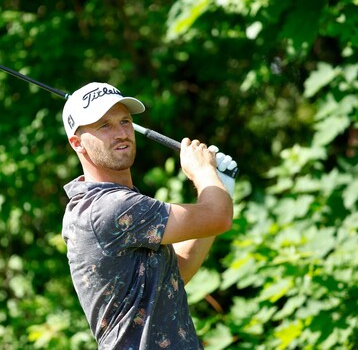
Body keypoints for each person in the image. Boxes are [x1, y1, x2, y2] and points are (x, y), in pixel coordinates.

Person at [61, 82, 237, 349]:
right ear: (77, 143)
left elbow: (174, 275)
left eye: (125, 121)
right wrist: (202, 171)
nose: (121, 133)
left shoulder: (115, 204)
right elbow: (219, 216)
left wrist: (219, 185)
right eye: (104, 126)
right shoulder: (108, 208)